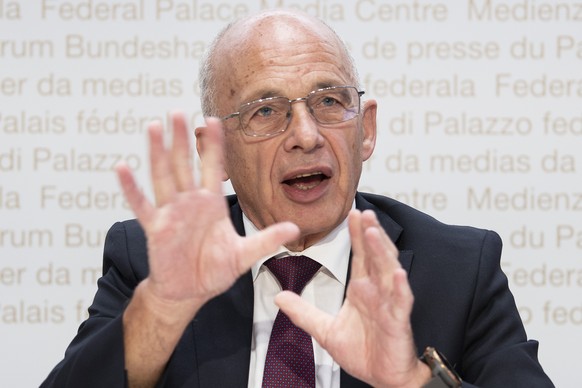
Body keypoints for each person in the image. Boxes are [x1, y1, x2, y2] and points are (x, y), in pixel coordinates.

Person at [41, 9, 553, 388]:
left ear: (366, 129)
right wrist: (162, 309)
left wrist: (413, 383)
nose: (305, 135)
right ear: (214, 153)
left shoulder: (459, 270)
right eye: (265, 111)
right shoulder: (149, 261)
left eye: (329, 102)